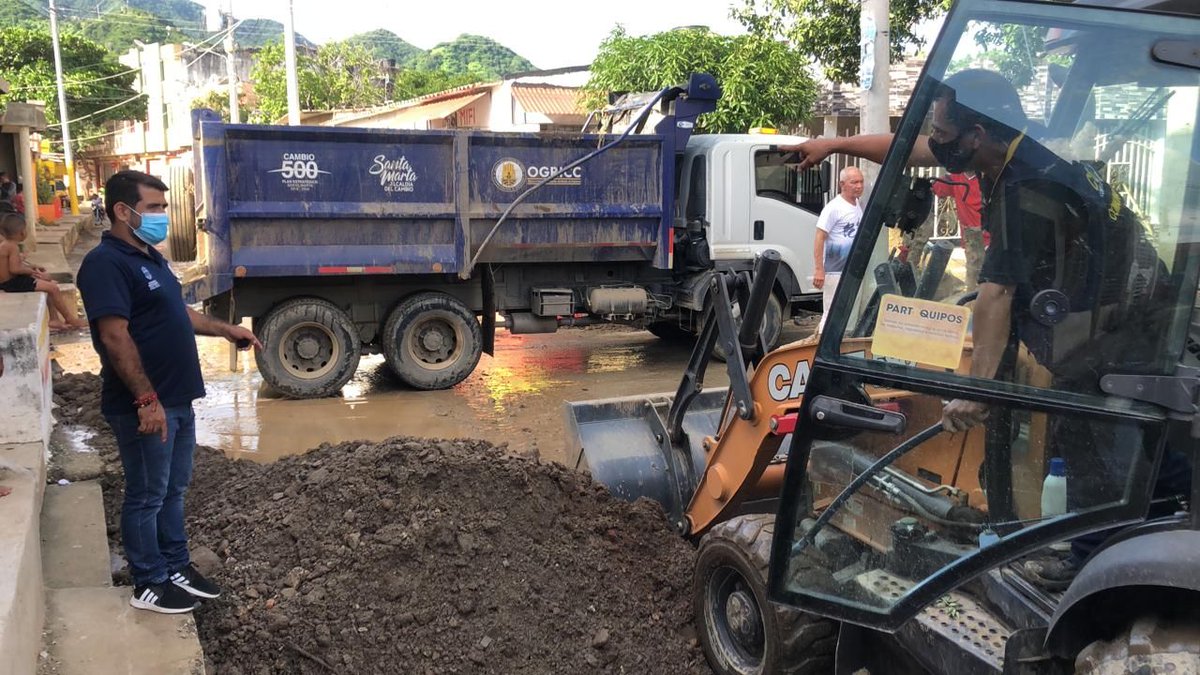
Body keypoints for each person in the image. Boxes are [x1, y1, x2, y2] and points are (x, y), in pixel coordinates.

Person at [783, 68, 1190, 589]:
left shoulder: (1025, 188)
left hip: (1118, 332)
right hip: (1125, 317)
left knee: (1094, 443)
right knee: (1132, 448)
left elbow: (997, 294)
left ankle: (1094, 567)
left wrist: (976, 390)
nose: (936, 142)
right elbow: (912, 149)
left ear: (975, 136)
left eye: (943, 133)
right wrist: (834, 144)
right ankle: (1164, 515)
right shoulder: (1017, 150)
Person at [77, 170, 261, 614]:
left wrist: (226, 330)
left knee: (173, 490)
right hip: (145, 405)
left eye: (163, 206)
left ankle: (175, 565)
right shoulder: (106, 264)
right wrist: (146, 400)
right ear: (123, 211)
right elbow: (115, 336)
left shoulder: (151, 258)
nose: (163, 215)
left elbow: (179, 313)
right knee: (146, 494)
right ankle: (149, 581)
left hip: (177, 399)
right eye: (154, 207)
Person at [0, 212, 88, 331]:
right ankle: (70, 319)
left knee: (49, 284)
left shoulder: (5, 245)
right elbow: (14, 269)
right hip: (12, 283)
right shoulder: (12, 247)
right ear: (22, 233)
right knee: (53, 288)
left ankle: (54, 319)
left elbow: (11, 265)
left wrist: (33, 267)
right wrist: (30, 272)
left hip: (10, 281)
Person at [814, 166, 864, 333]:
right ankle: (822, 342)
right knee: (831, 311)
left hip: (852, 269)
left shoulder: (858, 205)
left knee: (848, 312)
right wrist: (819, 269)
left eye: (861, 182)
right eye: (854, 182)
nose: (859, 186)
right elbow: (819, 237)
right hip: (835, 270)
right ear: (842, 184)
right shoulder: (833, 208)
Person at [930, 172, 986, 288]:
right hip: (973, 239)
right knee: (976, 279)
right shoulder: (956, 178)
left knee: (979, 280)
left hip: (985, 238)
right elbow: (936, 188)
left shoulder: (987, 179)